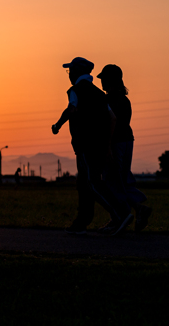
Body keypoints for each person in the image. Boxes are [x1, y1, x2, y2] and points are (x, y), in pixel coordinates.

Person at [52, 57, 132, 235]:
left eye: (70, 71)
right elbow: (112, 119)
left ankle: (120, 213)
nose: (69, 75)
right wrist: (107, 144)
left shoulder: (74, 90)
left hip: (85, 145)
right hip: (99, 145)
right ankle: (82, 222)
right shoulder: (99, 94)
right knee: (86, 182)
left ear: (77, 72)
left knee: (92, 182)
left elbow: (71, 109)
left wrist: (57, 125)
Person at [97, 64, 152, 232]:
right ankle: (134, 210)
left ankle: (121, 216)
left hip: (116, 143)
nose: (101, 82)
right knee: (121, 180)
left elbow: (110, 124)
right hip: (127, 141)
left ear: (111, 80)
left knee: (111, 182)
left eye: (104, 79)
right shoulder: (124, 99)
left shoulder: (110, 100)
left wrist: (107, 148)